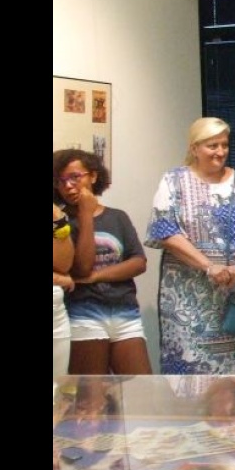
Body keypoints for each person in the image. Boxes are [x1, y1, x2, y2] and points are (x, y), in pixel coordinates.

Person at [145, 117, 235, 375]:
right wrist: (209, 266)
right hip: (188, 297)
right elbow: (165, 231)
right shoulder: (173, 181)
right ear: (194, 148)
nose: (220, 152)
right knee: (193, 369)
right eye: (212, 145)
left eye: (224, 145)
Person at [53, 149, 152, 375]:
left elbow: (138, 262)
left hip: (125, 311)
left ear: (93, 176)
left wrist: (95, 277)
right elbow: (81, 267)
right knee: (91, 401)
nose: (68, 186)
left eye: (75, 177)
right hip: (83, 313)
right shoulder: (61, 222)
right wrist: (86, 216)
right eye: (60, 181)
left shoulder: (117, 217)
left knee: (141, 390)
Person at [54, 202, 74, 378]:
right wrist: (57, 278)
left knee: (55, 392)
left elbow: (64, 264)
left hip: (56, 317)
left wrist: (57, 220)